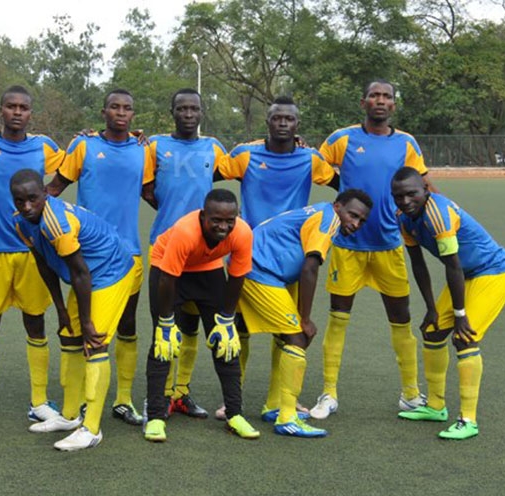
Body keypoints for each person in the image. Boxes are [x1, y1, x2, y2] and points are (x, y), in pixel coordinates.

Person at [310, 79, 438, 420]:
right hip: (347, 245)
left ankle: (410, 394)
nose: (380, 101)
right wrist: (344, 188)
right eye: (374, 96)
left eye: (387, 97)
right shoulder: (343, 138)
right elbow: (316, 166)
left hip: (389, 245)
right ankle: (329, 393)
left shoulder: (406, 143)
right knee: (338, 319)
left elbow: (423, 185)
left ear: (394, 104)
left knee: (401, 320)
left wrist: (440, 216)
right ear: (363, 101)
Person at [215, 96, 337, 419]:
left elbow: (344, 183)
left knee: (288, 329)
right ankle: (233, 399)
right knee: (239, 327)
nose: (283, 123)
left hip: (292, 259)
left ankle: (277, 399)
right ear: (267, 122)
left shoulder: (310, 159)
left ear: (298, 125)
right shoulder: (246, 155)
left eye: (289, 119)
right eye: (277, 118)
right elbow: (207, 171)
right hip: (249, 255)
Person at [0, 85, 66, 429]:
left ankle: (38, 401)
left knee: (35, 322)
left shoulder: (44, 147)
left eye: (23, 107)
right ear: (0, 110)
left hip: (33, 251)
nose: (17, 112)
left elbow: (75, 164)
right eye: (11, 106)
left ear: (31, 113)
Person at [46, 89, 154, 426]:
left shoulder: (143, 149)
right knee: (79, 329)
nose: (121, 113)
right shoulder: (84, 146)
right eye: (115, 107)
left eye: (128, 108)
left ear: (134, 115)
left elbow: (150, 193)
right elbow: (54, 189)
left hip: (130, 254)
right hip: (87, 254)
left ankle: (123, 400)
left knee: (128, 326)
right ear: (103, 111)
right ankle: (75, 406)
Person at [11, 169, 136, 451]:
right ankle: (69, 416)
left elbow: (81, 274)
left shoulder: (58, 223)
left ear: (46, 193)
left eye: (33, 199)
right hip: (85, 276)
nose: (27, 207)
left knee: (94, 343)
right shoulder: (20, 223)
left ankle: (91, 428)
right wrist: (60, 308)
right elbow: (44, 262)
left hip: (110, 272)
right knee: (69, 338)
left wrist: (88, 322)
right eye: (20, 201)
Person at [237, 190, 372, 438]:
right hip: (259, 271)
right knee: (298, 336)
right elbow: (310, 268)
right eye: (352, 215)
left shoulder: (322, 212)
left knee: (285, 337)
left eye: (361, 220)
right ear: (338, 206)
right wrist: (305, 319)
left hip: (263, 269)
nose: (355, 223)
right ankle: (287, 417)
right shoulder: (329, 219)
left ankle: (275, 405)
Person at [391, 168, 505, 440]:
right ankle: (436, 406)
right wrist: (431, 309)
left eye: (412, 193)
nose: (405, 201)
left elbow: (453, 266)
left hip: (493, 272)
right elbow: (419, 264)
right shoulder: (403, 220)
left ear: (425, 189)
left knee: (465, 337)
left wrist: (460, 315)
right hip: (466, 274)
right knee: (433, 331)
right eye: (398, 196)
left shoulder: (438, 214)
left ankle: (468, 420)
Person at [144, 189, 260, 443]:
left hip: (208, 271)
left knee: (226, 344)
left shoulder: (242, 232)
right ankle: (154, 416)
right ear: (203, 215)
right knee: (163, 344)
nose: (223, 226)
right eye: (216, 220)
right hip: (168, 271)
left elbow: (237, 277)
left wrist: (227, 319)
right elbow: (168, 278)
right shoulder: (185, 232)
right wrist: (165, 322)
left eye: (230, 220)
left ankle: (235, 414)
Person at [142, 88, 227, 419]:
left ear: (202, 112)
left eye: (194, 109)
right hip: (167, 248)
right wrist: (170, 214)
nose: (188, 114)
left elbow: (226, 173)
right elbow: (146, 187)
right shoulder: (155, 146)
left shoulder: (214, 148)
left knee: (192, 328)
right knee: (164, 327)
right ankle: (159, 397)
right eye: (182, 108)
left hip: (206, 253)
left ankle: (181, 393)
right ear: (172, 111)